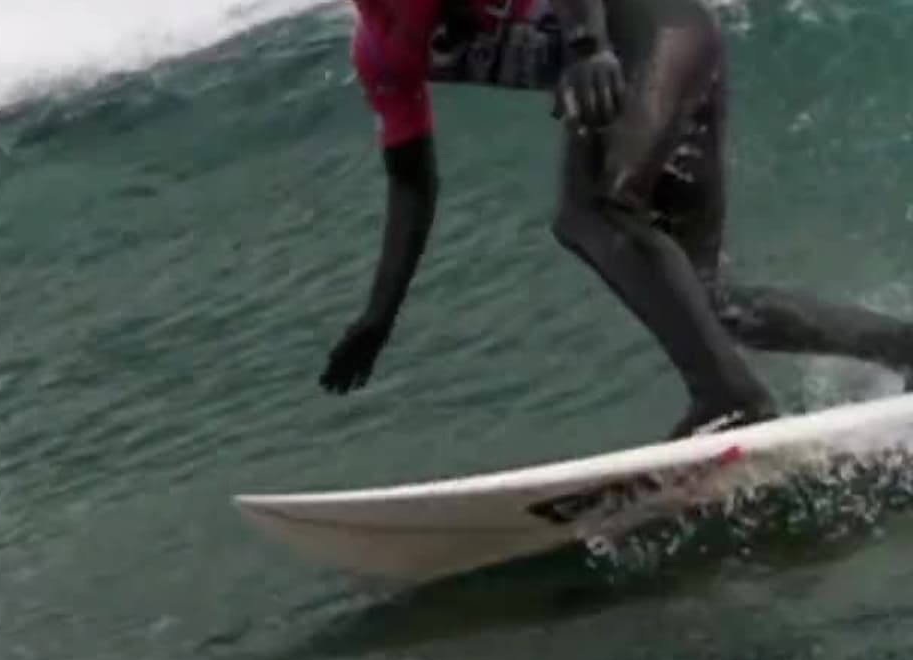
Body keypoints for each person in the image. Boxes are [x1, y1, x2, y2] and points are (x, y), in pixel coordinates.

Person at [317, 0, 913, 439]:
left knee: (593, 212)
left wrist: (586, 46)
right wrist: (378, 317)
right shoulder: (381, 54)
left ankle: (730, 399)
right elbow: (411, 184)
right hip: (640, 66)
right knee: (705, 302)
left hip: (662, 32)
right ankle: (903, 348)